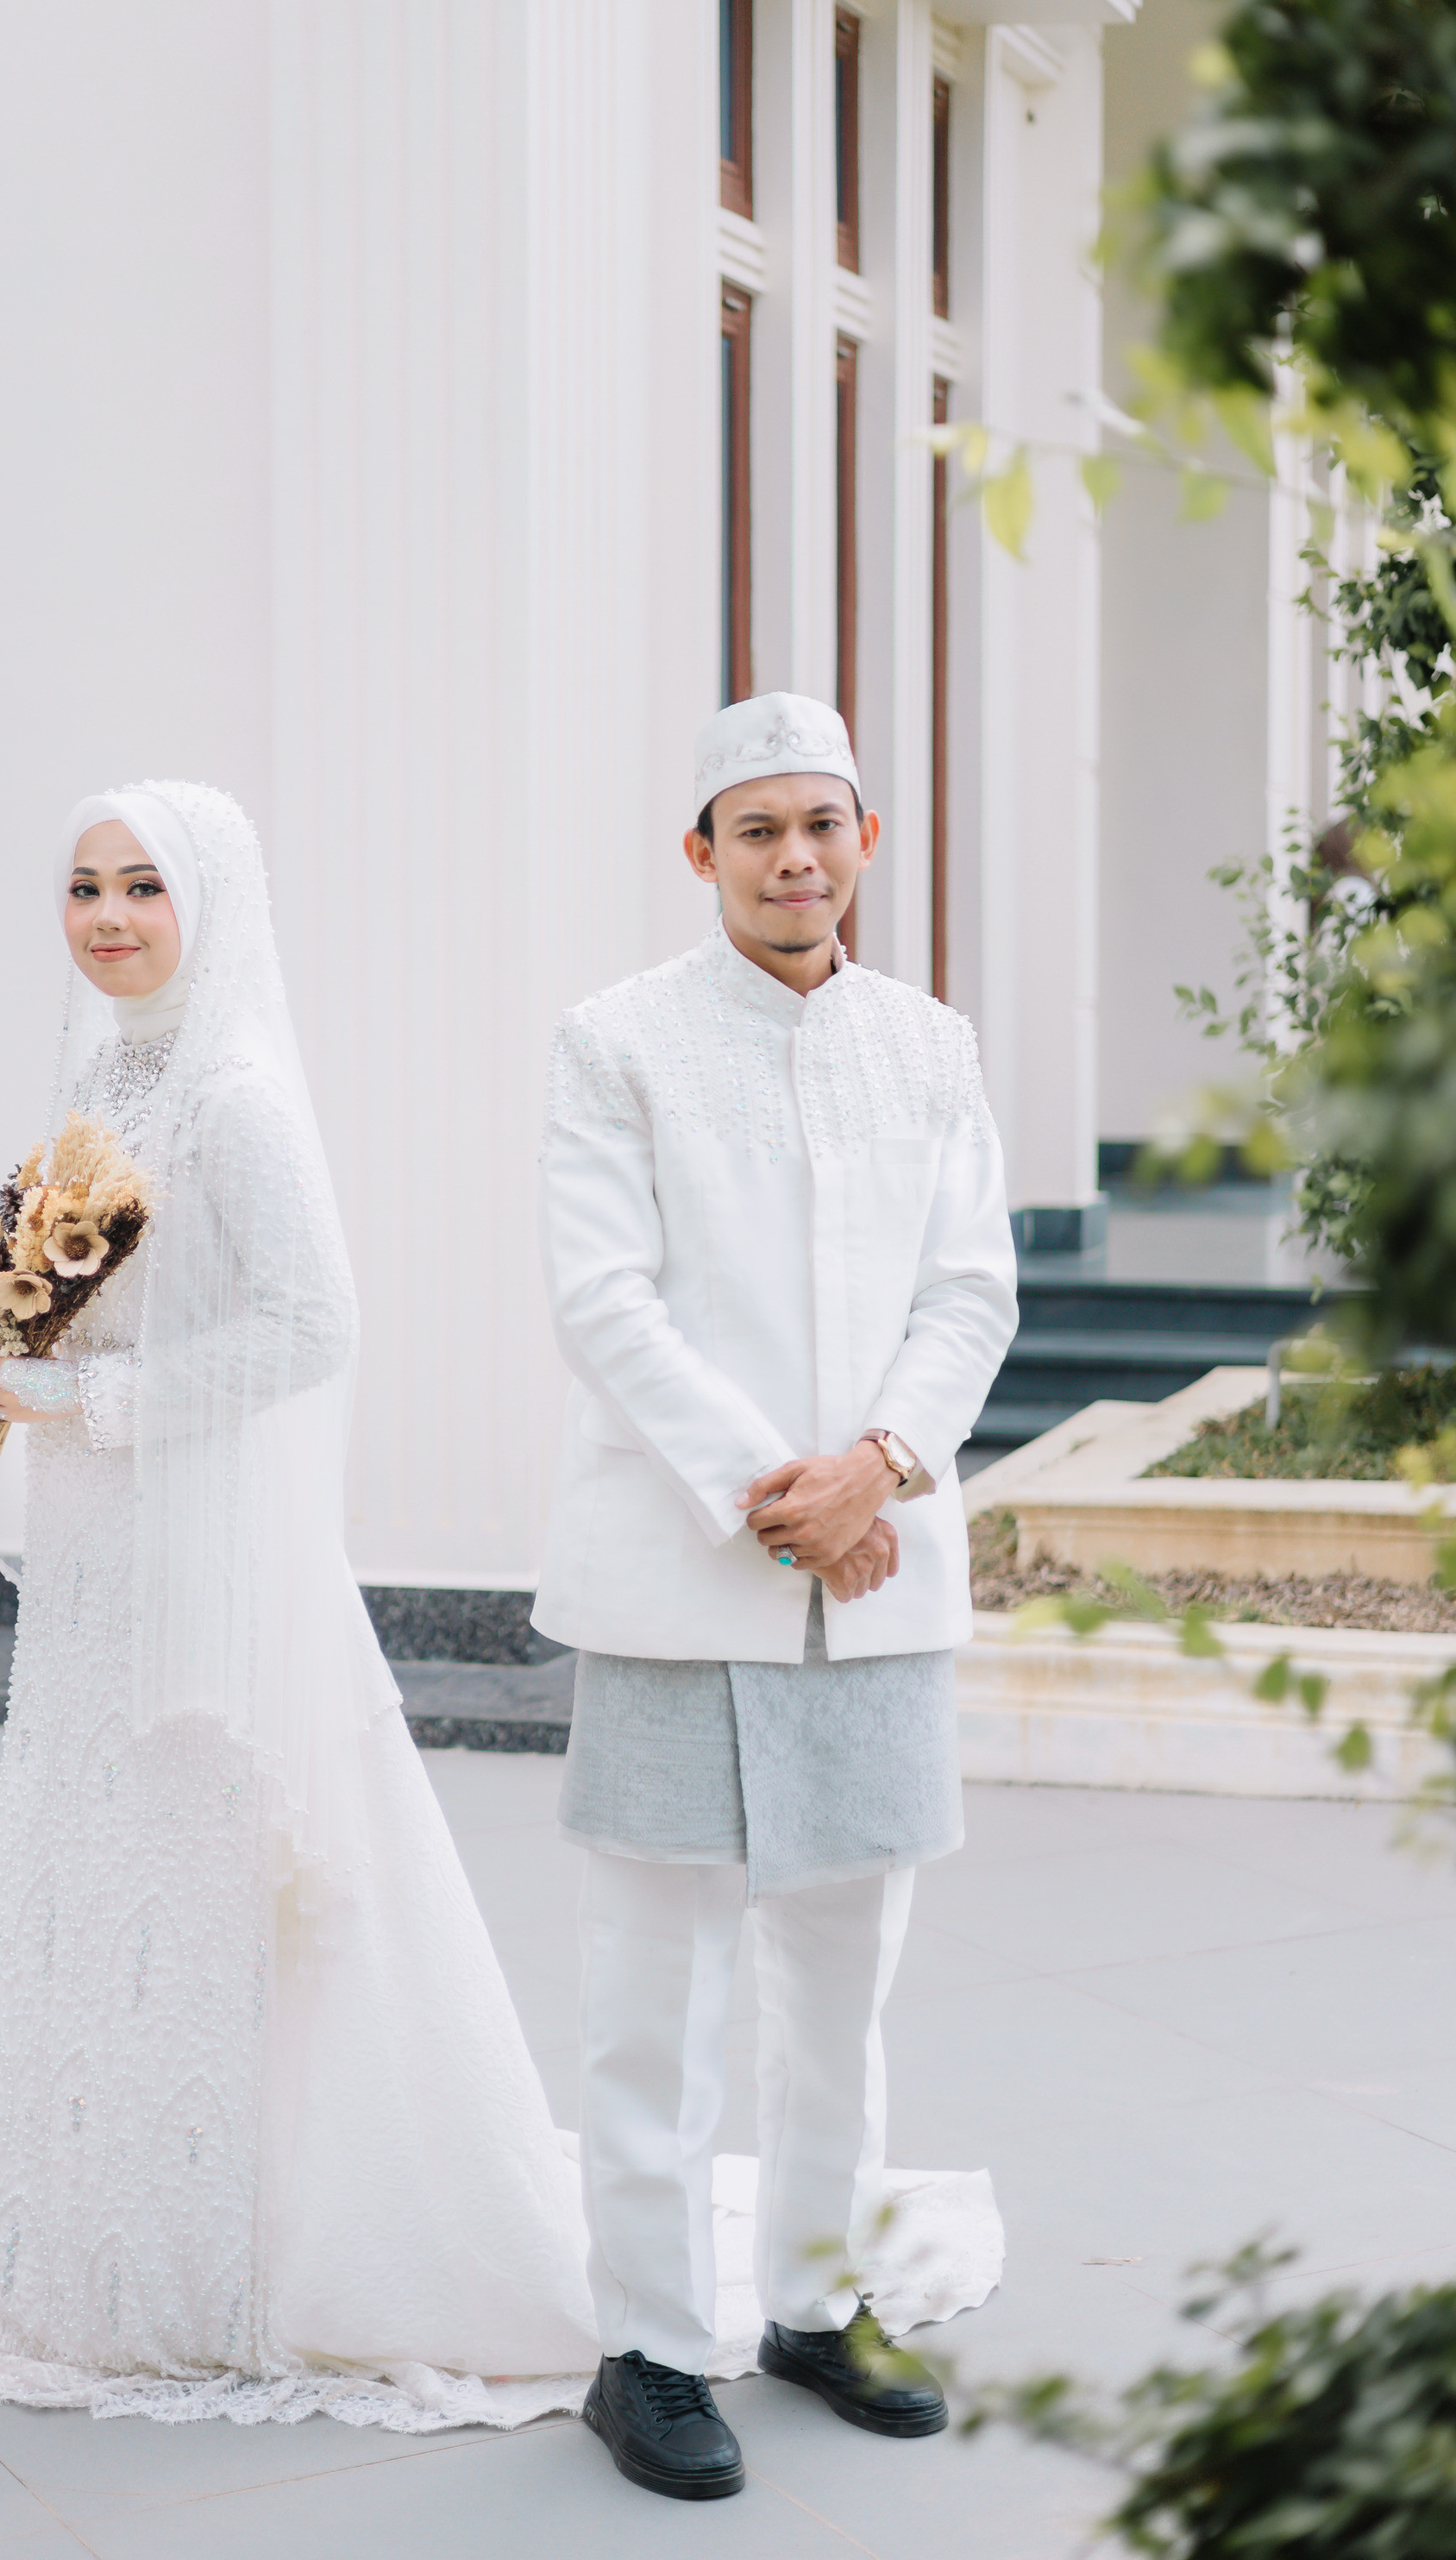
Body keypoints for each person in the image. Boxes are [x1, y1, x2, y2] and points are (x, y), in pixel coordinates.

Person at [0, 781, 597, 2428]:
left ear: (209, 905)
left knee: (206, 1867)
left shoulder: (233, 1096)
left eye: (145, 886)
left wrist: (97, 1397)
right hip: (98, 1544)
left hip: (199, 1542)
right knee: (104, 1860)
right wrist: (18, 1352)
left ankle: (244, 2253)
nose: (108, 916)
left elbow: (312, 1324)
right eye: (85, 885)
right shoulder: (107, 1074)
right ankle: (98, 2242)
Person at [535, 692, 1019, 2500]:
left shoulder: (930, 1045)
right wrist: (785, 1495)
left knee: (840, 1974)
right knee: (650, 1986)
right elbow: (604, 1299)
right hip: (682, 1576)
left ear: (863, 840)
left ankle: (817, 2303)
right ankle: (651, 2345)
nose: (793, 858)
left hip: (876, 1576)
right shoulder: (616, 1042)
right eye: (756, 829)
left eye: (822, 823)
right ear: (701, 854)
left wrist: (876, 1465)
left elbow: (968, 1291)